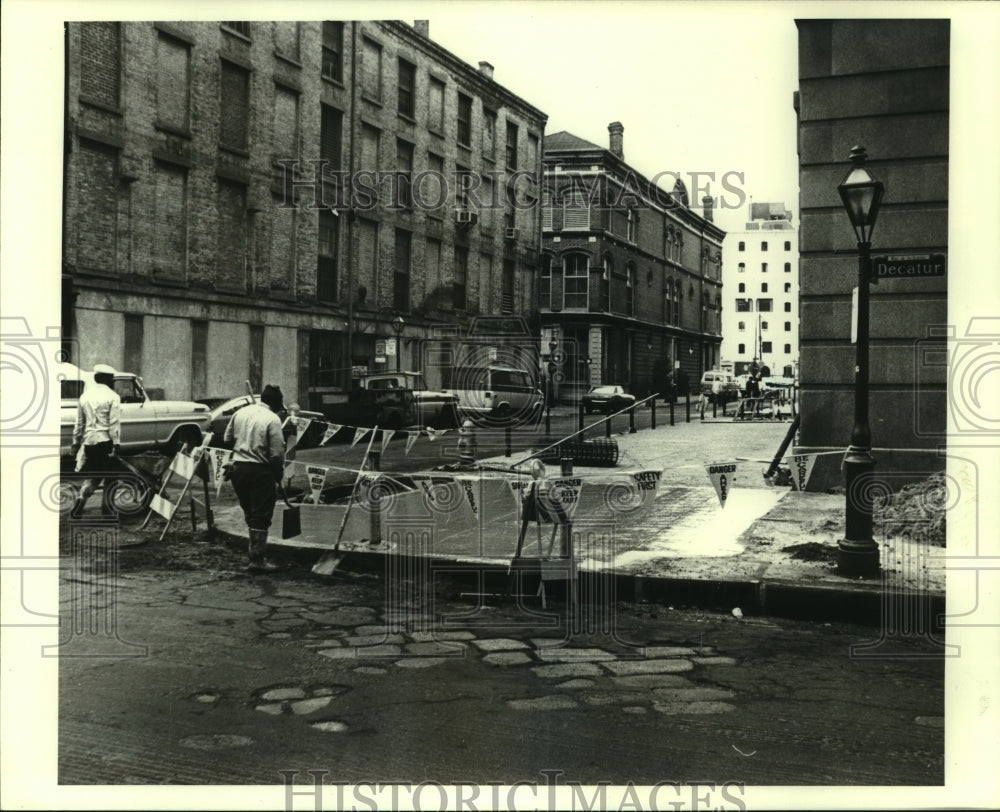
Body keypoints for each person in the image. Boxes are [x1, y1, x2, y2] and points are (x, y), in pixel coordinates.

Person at [224, 385, 287, 572]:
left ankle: (254, 554)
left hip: (238, 469)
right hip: (260, 471)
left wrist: (244, 444)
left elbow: (227, 439)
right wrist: (278, 475)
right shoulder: (272, 419)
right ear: (275, 402)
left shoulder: (241, 412)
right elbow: (276, 455)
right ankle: (257, 561)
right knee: (260, 516)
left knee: (250, 513)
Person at [71, 363, 122, 517]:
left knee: (93, 476)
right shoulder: (113, 396)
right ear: (106, 379)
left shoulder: (84, 396)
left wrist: (75, 442)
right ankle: (107, 511)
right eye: (112, 379)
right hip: (105, 442)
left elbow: (79, 422)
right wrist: (117, 444)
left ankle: (78, 506)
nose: (113, 382)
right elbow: (114, 424)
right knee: (111, 478)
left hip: (90, 443)